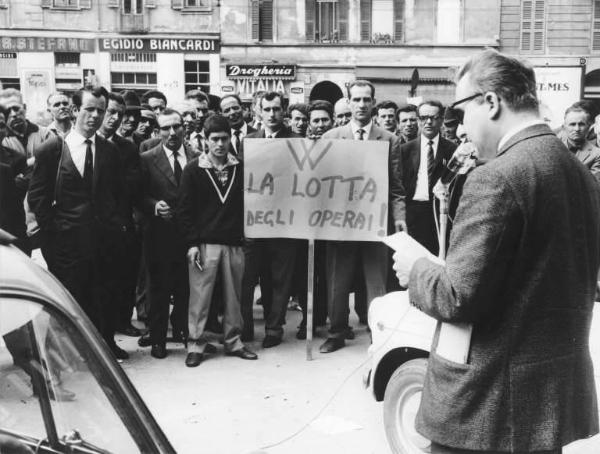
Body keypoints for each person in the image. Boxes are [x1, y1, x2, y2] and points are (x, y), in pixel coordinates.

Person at [393, 49, 600, 454]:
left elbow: (457, 296)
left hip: (487, 408)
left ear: (491, 102)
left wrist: (416, 268)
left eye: (460, 110)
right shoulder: (579, 174)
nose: (460, 127)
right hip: (545, 401)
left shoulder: (497, 177)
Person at [28, 86, 127, 360]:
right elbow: (38, 196)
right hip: (67, 243)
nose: (95, 116)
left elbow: (118, 195)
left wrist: (116, 226)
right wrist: (53, 233)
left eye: (101, 110)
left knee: (104, 295)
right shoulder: (52, 149)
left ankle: (106, 346)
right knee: (70, 299)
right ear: (75, 111)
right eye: (89, 109)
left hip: (104, 240)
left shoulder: (109, 151)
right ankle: (64, 356)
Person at [319, 80, 406, 353]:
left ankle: (378, 333)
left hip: (375, 222)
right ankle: (336, 332)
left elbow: (397, 187)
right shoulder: (331, 138)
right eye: (356, 100)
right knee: (338, 280)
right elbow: (320, 183)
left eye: (366, 100)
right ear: (348, 101)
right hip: (341, 224)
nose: (361, 105)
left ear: (373, 102)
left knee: (376, 282)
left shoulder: (389, 139)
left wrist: (400, 218)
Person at [177, 115, 258, 367]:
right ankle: (196, 343)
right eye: (214, 140)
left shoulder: (241, 167)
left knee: (234, 295)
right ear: (205, 140)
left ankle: (234, 341)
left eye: (224, 139)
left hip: (234, 242)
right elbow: (185, 209)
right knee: (200, 296)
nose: (220, 145)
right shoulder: (193, 168)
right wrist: (191, 243)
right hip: (204, 244)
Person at [243, 91, 301, 348]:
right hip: (255, 222)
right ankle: (244, 327)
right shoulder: (249, 141)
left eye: (276, 109)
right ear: (258, 111)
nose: (271, 114)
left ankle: (274, 328)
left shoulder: (298, 142)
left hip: (284, 223)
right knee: (249, 277)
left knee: (280, 279)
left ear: (284, 111)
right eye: (266, 109)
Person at [138, 108, 194, 359]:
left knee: (186, 287)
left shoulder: (196, 156)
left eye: (177, 126)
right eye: (165, 128)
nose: (172, 133)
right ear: (157, 131)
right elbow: (136, 195)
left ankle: (182, 329)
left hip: (188, 234)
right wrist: (153, 205)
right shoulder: (147, 158)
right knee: (158, 289)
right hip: (158, 234)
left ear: (185, 127)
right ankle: (158, 339)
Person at [97, 92, 143, 338]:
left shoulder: (127, 147)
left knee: (124, 277)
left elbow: (133, 186)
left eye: (119, 114)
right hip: (92, 225)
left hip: (123, 222)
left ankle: (122, 320)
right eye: (110, 112)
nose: (115, 118)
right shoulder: (83, 146)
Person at [400, 100, 457, 255]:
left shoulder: (453, 150)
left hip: (440, 214)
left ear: (442, 120)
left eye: (435, 117)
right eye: (424, 117)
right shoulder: (404, 150)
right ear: (418, 120)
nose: (429, 122)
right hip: (412, 213)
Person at [562, 103, 600, 183]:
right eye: (572, 124)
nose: (577, 129)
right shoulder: (554, 148)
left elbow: (592, 184)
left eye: (581, 124)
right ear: (564, 127)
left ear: (589, 127)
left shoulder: (597, 154)